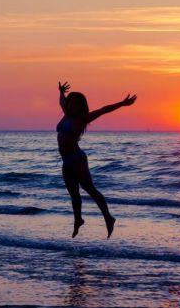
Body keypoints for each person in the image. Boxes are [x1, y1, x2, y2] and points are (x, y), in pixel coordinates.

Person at [56, 81, 137, 238]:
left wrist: (121, 103)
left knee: (90, 189)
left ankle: (108, 217)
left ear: (82, 107)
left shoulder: (82, 119)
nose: (74, 107)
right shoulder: (66, 112)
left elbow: (102, 110)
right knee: (74, 194)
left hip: (77, 159)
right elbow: (61, 100)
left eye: (78, 105)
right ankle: (78, 220)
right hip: (66, 161)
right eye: (73, 103)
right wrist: (61, 92)